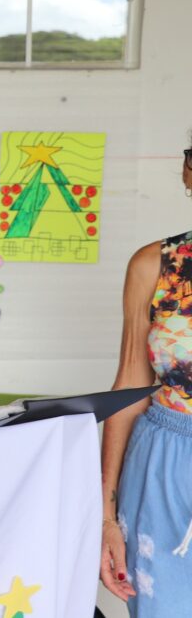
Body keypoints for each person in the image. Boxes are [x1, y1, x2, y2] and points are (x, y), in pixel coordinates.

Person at [100, 143, 192, 616]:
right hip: (163, 466)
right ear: (188, 172)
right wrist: (105, 517)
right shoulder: (154, 265)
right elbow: (129, 388)